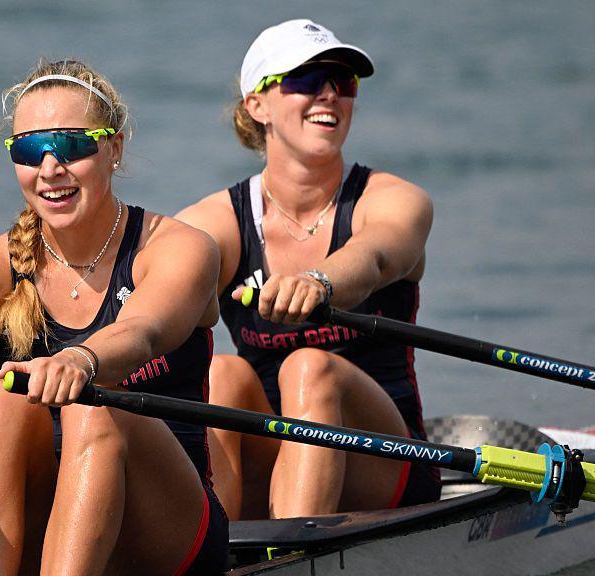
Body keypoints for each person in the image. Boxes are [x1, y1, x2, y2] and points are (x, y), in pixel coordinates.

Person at [0, 59, 228, 575]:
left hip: (170, 537)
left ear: (115, 148)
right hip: (48, 526)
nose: (50, 169)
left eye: (73, 146)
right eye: (31, 150)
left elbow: (143, 331)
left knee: (91, 405)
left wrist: (81, 360)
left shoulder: (178, 248)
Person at [176, 19, 441, 521]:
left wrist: (319, 282)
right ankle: (220, 549)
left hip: (387, 461)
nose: (328, 95)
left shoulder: (394, 201)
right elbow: (161, 300)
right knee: (222, 373)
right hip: (276, 456)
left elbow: (377, 257)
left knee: (308, 366)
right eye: (304, 80)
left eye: (342, 83)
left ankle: (291, 548)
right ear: (257, 104)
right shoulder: (214, 223)